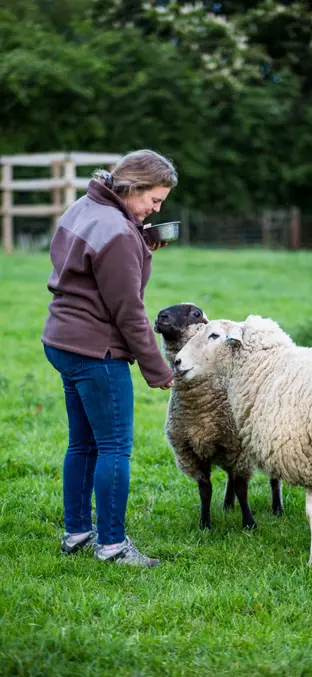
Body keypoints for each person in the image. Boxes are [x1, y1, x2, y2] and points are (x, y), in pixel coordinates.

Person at [42, 149, 176, 567]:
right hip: (94, 350)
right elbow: (129, 311)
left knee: (82, 443)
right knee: (114, 446)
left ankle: (77, 533)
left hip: (62, 339)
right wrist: (158, 369)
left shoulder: (87, 204)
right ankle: (113, 546)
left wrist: (140, 241)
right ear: (132, 186)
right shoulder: (118, 232)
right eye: (152, 200)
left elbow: (89, 267)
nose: (154, 209)